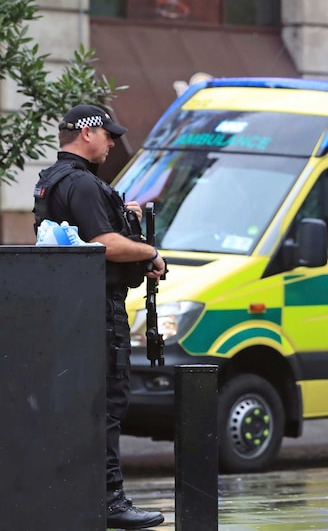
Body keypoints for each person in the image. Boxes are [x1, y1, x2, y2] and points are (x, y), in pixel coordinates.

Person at [33, 105, 168, 530]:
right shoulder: (83, 184)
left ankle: (71, 495)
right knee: (107, 404)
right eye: (108, 134)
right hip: (98, 310)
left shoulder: (51, 181)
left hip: (68, 309)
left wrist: (120, 214)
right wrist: (149, 252)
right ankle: (110, 500)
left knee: (76, 406)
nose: (112, 142)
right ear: (87, 133)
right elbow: (105, 244)